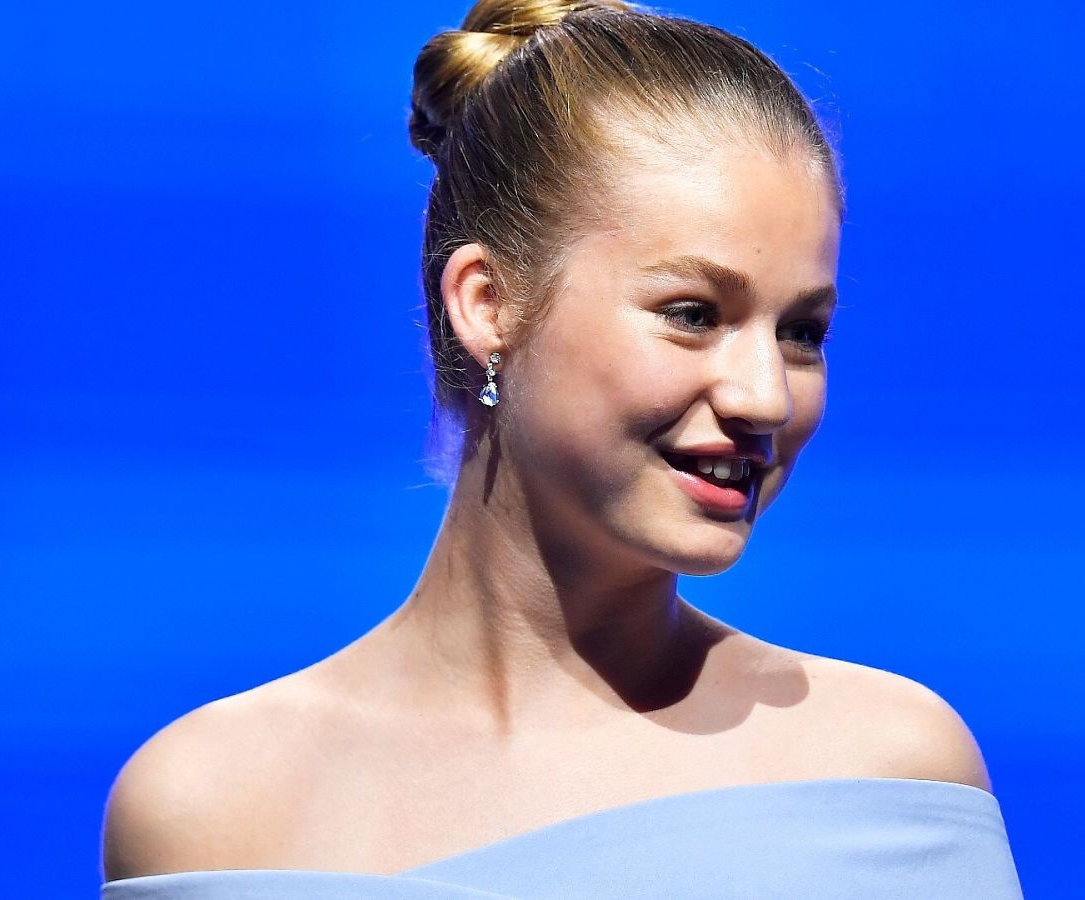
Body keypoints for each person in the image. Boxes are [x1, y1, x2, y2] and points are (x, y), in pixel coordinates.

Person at [99, 2, 1025, 896]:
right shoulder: (212, 805)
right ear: (487, 303)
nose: (765, 397)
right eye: (693, 315)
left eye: (802, 332)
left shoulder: (889, 773)